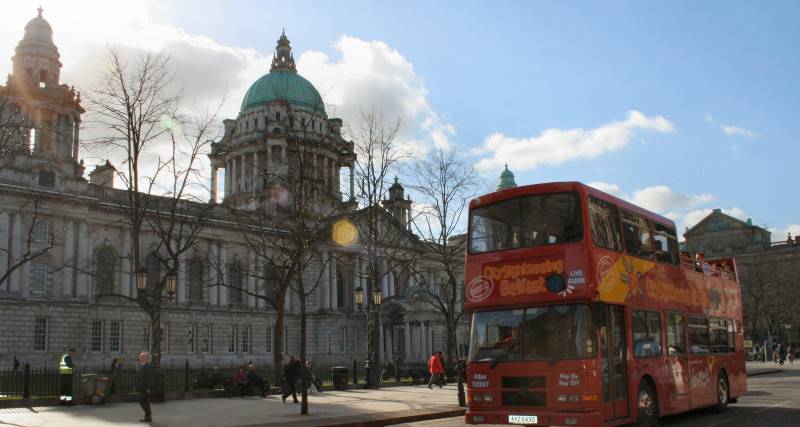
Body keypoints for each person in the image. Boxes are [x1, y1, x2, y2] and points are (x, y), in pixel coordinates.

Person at [135, 352, 155, 423]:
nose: (140, 358)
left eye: (141, 357)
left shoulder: (148, 366)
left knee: (142, 401)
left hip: (145, 388)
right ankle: (148, 416)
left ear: (146, 358)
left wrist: (148, 388)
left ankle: (148, 416)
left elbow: (149, 378)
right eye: (140, 357)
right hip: (142, 387)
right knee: (145, 402)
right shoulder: (142, 365)